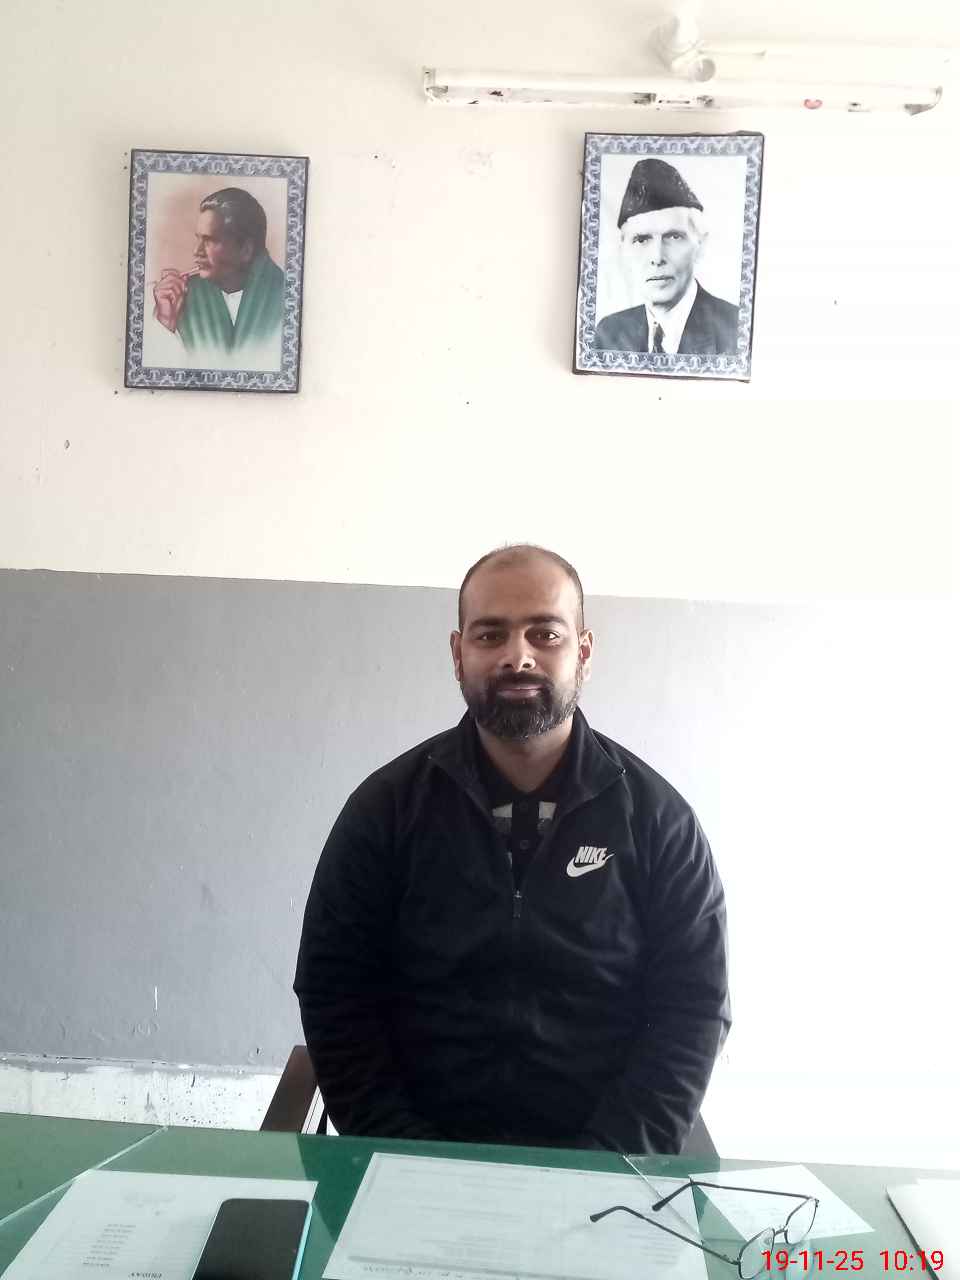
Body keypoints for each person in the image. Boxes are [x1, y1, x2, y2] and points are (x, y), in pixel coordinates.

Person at [294, 544, 730, 1154]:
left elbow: (694, 1007)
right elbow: (334, 991)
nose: (517, 656)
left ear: (583, 652)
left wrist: (607, 1164)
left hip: (605, 1163)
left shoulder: (659, 821)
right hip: (415, 1156)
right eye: (490, 634)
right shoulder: (384, 811)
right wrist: (404, 1153)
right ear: (458, 654)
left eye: (545, 634)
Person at [595, 157, 739, 356]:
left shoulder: (736, 330)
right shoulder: (608, 334)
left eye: (674, 237)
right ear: (623, 250)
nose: (657, 257)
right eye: (641, 240)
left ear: (700, 246)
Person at [151, 187, 284, 361]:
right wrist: (165, 321)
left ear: (245, 249)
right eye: (198, 239)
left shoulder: (287, 298)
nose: (197, 251)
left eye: (210, 240)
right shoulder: (176, 299)